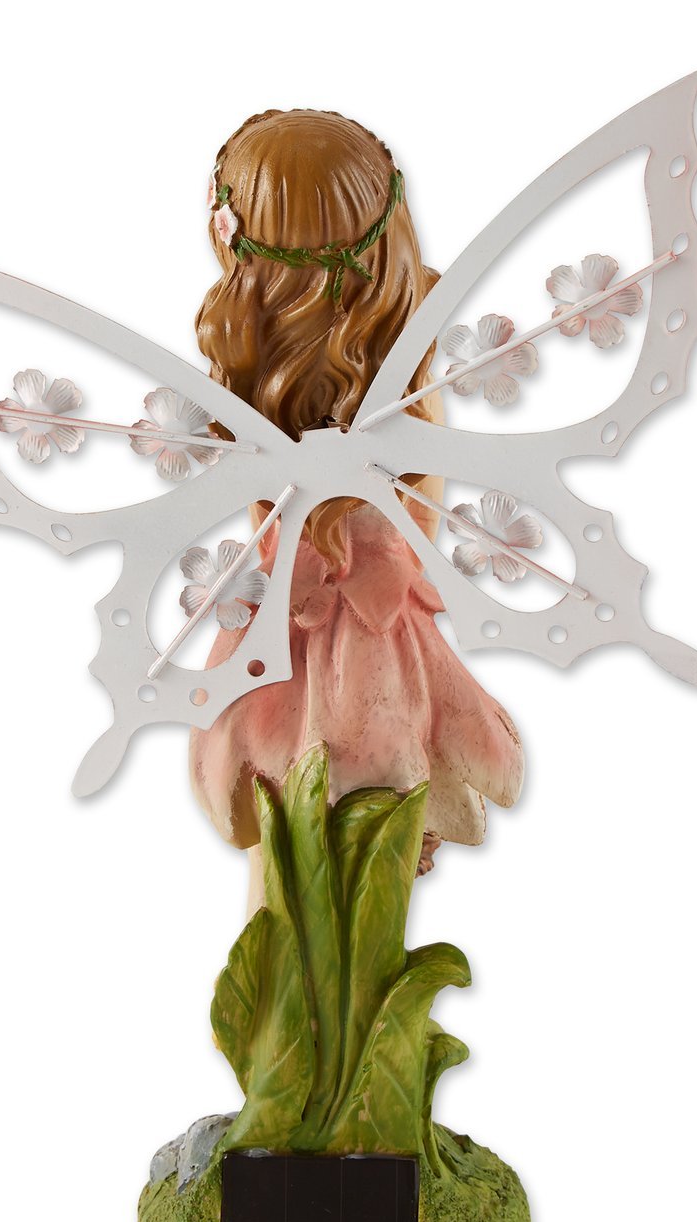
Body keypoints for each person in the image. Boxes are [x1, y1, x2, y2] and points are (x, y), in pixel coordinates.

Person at [189, 109, 523, 882]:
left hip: (282, 623)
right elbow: (422, 523)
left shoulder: (250, 399)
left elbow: (262, 523)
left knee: (286, 810)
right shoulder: (409, 399)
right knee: (368, 796)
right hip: (380, 629)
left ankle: (308, 914)